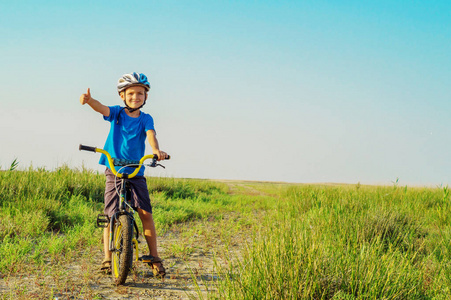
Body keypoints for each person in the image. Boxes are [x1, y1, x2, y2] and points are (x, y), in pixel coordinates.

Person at [79, 72, 167, 278]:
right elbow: (102, 108)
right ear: (122, 96)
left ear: (146, 97)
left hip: (136, 172)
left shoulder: (146, 118)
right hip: (114, 170)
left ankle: (154, 258)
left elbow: (151, 135)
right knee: (110, 216)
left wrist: (156, 150)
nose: (135, 97)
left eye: (140, 93)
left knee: (145, 214)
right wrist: (90, 101)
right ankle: (108, 258)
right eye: (131, 93)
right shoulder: (117, 113)